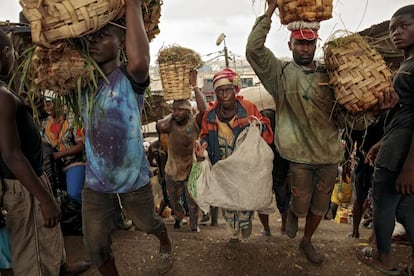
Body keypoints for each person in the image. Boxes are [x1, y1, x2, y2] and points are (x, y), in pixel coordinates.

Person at [246, 0, 398, 264]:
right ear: (290, 44)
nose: (304, 48)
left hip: (328, 154)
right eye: (299, 43)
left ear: (316, 44)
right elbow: (253, 50)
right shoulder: (279, 75)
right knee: (301, 201)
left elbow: (348, 120)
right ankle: (293, 213)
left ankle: (307, 241)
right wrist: (269, 11)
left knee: (320, 206)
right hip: (298, 155)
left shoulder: (331, 76)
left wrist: (376, 112)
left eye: (309, 43)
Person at [81, 0, 173, 274]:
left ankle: (164, 239)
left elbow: (140, 60)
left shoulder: (129, 78)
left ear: (121, 40)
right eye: (91, 38)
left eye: (103, 35)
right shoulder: (84, 84)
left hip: (132, 177)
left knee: (148, 224)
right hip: (95, 180)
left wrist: (132, 5)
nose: (95, 42)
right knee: (95, 245)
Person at [0, 29, 90, 276]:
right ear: (5, 53)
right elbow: (11, 154)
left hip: (29, 178)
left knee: (47, 233)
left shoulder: (6, 93)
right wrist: (45, 198)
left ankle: (60, 268)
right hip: (23, 183)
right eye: (14, 53)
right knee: (34, 249)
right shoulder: (2, 98)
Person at [357, 5, 414, 276]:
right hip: (396, 145)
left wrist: (409, 167)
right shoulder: (407, 63)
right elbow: (404, 115)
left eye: (404, 26)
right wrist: (381, 143)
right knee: (407, 209)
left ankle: (384, 258)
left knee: (382, 204)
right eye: (393, 29)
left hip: (403, 154)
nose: (397, 33)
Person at [194, 68, 273, 241]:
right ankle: (233, 227)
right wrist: (202, 149)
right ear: (215, 93)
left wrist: (257, 128)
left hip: (243, 162)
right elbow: (205, 136)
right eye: (220, 91)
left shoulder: (248, 107)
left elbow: (265, 127)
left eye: (228, 90)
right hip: (222, 161)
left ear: (235, 90)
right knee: (227, 196)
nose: (224, 95)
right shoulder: (210, 114)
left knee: (244, 193)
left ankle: (244, 222)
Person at [156, 70, 207, 232]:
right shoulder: (170, 123)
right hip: (172, 168)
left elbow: (204, 109)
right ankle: (178, 217)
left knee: (193, 199)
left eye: (180, 110)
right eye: (175, 110)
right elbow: (160, 126)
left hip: (191, 167)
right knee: (173, 199)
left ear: (188, 111)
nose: (177, 113)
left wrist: (195, 87)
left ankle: (194, 223)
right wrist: (173, 114)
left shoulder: (194, 123)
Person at [42, 98, 86, 205]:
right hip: (56, 167)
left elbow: (81, 146)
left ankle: (91, 213)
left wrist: (59, 154)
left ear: (59, 104)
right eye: (45, 105)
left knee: (74, 193)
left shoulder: (72, 119)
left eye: (49, 104)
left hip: (75, 162)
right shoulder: (45, 123)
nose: (47, 108)